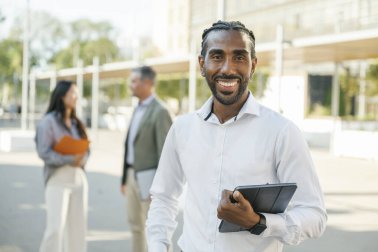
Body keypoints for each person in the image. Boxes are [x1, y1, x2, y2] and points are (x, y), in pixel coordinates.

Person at [146, 21, 327, 252]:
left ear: (253, 65)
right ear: (202, 65)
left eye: (239, 57)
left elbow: (314, 216)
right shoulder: (182, 128)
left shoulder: (282, 132)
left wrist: (258, 222)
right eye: (217, 56)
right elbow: (163, 198)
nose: (228, 69)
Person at [121, 66, 172, 252]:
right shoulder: (137, 109)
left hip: (149, 179)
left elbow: (165, 154)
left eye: (134, 81)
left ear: (148, 83)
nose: (131, 85)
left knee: (156, 229)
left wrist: (159, 186)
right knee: (135, 226)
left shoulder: (160, 111)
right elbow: (129, 146)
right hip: (131, 175)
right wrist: (123, 179)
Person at [36, 80, 89, 252]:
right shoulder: (48, 122)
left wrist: (82, 158)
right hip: (57, 179)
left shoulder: (76, 123)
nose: (76, 97)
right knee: (55, 229)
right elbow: (44, 152)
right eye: (73, 93)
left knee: (78, 230)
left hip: (79, 179)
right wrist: (69, 159)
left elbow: (87, 149)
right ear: (62, 95)